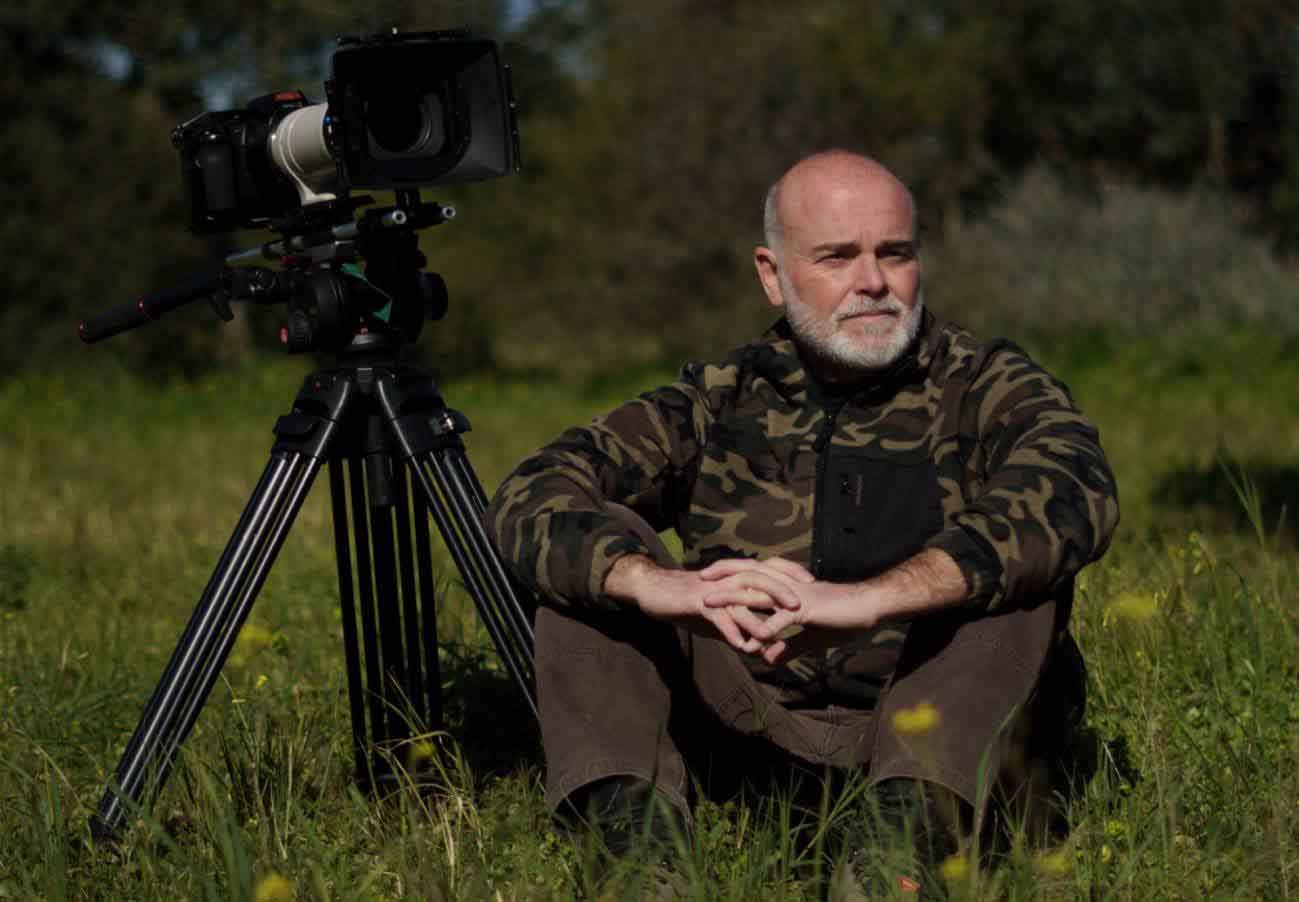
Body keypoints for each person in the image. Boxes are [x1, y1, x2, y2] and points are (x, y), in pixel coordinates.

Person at [485, 150, 1119, 896]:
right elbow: (531, 492)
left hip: (930, 722)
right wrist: (661, 586)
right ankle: (641, 853)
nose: (873, 282)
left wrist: (871, 598)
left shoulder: (983, 384)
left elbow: (1073, 486)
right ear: (771, 272)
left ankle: (899, 856)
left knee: (1018, 578)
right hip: (744, 715)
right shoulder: (716, 398)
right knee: (593, 566)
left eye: (895, 254)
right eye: (836, 257)